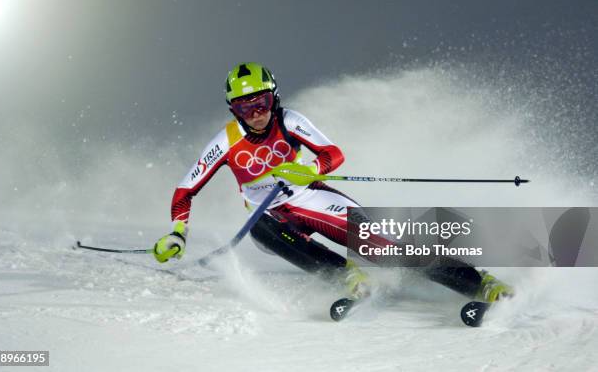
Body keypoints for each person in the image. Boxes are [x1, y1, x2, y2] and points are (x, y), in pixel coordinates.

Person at [153, 62, 513, 302]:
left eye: (261, 102)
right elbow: (186, 190)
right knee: (261, 230)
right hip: (271, 214)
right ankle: (346, 277)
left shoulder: (290, 120)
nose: (257, 114)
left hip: (309, 197)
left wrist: (312, 169)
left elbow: (332, 153)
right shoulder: (225, 142)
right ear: (234, 110)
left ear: (273, 98)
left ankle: (479, 283)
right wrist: (177, 233)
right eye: (246, 108)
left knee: (382, 245)